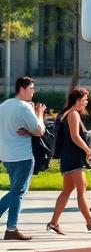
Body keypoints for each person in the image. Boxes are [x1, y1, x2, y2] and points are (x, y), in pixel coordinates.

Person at [46, 87, 91, 235]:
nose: (86, 102)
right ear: (78, 100)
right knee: (82, 189)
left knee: (67, 191)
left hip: (67, 157)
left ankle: (53, 223)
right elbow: (75, 136)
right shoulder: (73, 114)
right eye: (85, 99)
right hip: (73, 158)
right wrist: (88, 150)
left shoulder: (64, 113)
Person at [0, 77, 46, 240]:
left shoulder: (3, 106)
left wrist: (28, 130)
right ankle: (11, 228)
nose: (33, 92)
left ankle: (11, 228)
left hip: (6, 155)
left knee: (16, 191)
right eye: (32, 88)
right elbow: (39, 130)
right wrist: (39, 113)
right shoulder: (25, 107)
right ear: (22, 89)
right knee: (18, 192)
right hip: (23, 156)